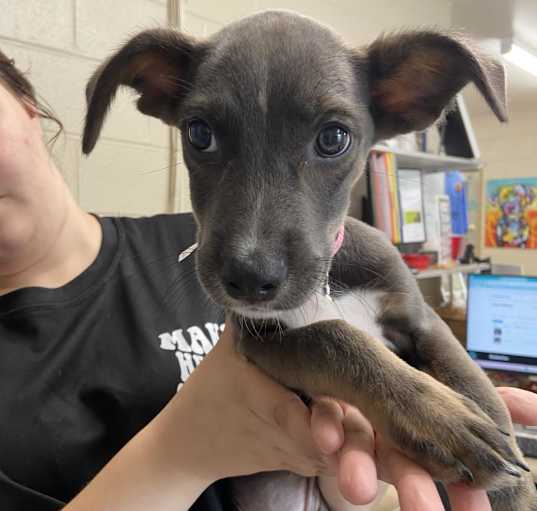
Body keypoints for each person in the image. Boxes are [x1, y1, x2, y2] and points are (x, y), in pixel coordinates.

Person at [0, 49, 535, 511]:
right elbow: (276, 347)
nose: (251, 253)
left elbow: (423, 341)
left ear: (27, 105)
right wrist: (179, 449)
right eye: (204, 136)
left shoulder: (186, 243)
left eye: (332, 138)